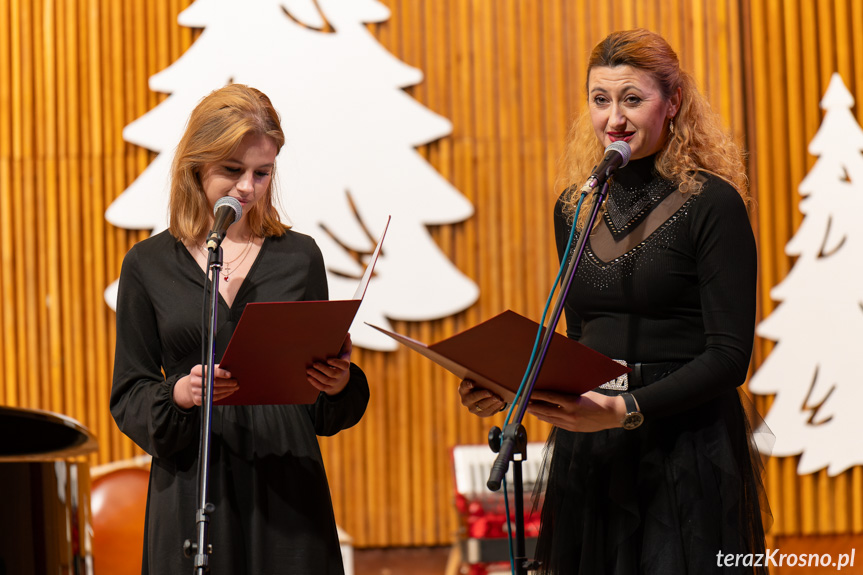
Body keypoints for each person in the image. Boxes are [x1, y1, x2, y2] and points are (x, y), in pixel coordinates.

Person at [459, 29, 769, 574]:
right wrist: (513, 385)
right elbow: (581, 340)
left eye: (632, 98)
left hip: (683, 447)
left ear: (673, 102)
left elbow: (728, 358)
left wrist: (623, 411)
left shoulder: (712, 204)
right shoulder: (575, 207)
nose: (613, 119)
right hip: (592, 445)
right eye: (600, 100)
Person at [110, 84, 369, 574]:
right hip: (192, 479)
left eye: (262, 172)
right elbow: (129, 395)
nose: (247, 187)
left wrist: (337, 384)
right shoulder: (146, 264)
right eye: (232, 170)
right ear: (196, 166)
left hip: (286, 481)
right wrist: (182, 393)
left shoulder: (300, 256)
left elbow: (322, 407)